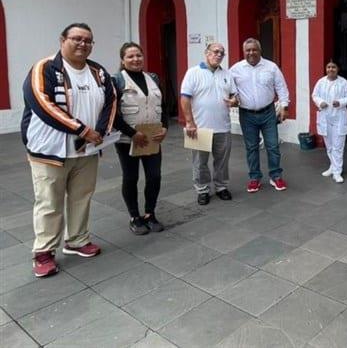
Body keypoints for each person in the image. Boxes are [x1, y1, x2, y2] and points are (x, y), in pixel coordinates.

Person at [21, 23, 116, 277]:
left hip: (86, 152)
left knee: (81, 197)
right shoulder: (44, 68)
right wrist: (82, 130)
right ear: (62, 39)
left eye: (88, 40)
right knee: (49, 202)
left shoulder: (99, 72)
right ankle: (43, 252)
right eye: (77, 38)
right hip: (49, 151)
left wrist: (100, 132)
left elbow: (111, 100)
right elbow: (42, 103)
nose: (83, 44)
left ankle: (77, 240)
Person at [112, 42, 168, 235]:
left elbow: (164, 106)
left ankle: (150, 214)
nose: (135, 59)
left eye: (138, 55)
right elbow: (113, 115)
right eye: (130, 56)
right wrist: (132, 133)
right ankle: (135, 217)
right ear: (123, 60)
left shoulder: (153, 78)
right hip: (127, 140)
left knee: (154, 176)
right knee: (131, 177)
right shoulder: (117, 81)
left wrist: (165, 128)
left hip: (152, 138)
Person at [180, 43, 237, 205]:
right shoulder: (193, 72)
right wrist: (189, 122)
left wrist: (234, 100)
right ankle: (202, 189)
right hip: (199, 127)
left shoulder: (227, 74)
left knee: (222, 161)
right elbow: (185, 98)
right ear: (206, 53)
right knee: (199, 162)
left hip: (223, 126)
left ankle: (221, 187)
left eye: (222, 53)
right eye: (215, 52)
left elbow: (235, 96)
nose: (218, 55)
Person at [230, 38, 290, 193]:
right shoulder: (235, 69)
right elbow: (229, 89)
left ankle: (276, 176)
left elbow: (281, 87)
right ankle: (254, 178)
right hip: (247, 115)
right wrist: (233, 98)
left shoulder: (271, 67)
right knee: (251, 148)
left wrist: (284, 106)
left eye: (254, 49)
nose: (251, 53)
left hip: (268, 113)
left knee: (273, 146)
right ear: (244, 52)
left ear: (260, 50)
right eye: (248, 50)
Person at [312, 60, 347, 183]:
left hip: (339, 117)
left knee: (338, 147)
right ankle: (332, 166)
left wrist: (340, 102)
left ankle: (337, 172)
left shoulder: (343, 82)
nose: (331, 69)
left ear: (337, 69)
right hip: (325, 117)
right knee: (329, 146)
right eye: (328, 67)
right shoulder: (321, 82)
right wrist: (320, 102)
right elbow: (314, 95)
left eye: (333, 67)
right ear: (326, 69)